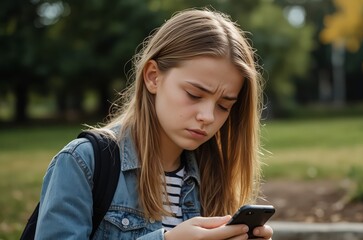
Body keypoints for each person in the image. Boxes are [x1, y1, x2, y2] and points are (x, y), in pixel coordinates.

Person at [35, 8, 273, 240]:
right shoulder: (82, 162)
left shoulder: (215, 175)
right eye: (194, 94)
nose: (208, 116)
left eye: (224, 105)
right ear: (153, 76)